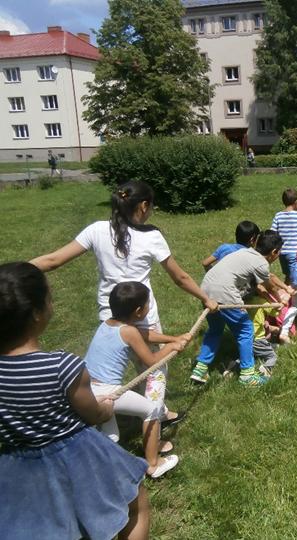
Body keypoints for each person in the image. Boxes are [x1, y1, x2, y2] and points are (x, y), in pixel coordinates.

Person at [30, 180, 218, 426]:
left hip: (110, 318)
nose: (151, 211)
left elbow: (53, 260)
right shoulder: (152, 236)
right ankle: (154, 426)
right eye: (150, 207)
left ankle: (133, 414)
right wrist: (205, 298)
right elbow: (179, 277)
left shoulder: (96, 230)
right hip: (142, 317)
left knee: (115, 372)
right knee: (154, 371)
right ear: (142, 206)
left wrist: (13, 272)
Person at [0, 262, 150, 540]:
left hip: (17, 461)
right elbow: (94, 415)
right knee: (134, 501)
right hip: (78, 454)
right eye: (48, 298)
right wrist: (105, 406)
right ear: (36, 314)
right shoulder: (63, 366)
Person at [85, 282, 189, 478]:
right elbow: (152, 362)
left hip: (87, 388)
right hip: (108, 392)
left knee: (112, 436)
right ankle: (153, 465)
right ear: (139, 311)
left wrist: (172, 339)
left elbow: (143, 335)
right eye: (148, 304)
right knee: (152, 410)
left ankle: (102, 471)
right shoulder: (129, 332)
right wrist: (173, 347)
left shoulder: (108, 323)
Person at [190, 230, 285, 386]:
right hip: (225, 293)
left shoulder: (245, 252)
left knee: (215, 329)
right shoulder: (262, 263)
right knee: (245, 329)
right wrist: (280, 301)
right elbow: (270, 286)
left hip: (205, 289)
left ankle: (200, 370)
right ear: (274, 252)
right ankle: (247, 375)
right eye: (279, 253)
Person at [271, 188, 297, 283]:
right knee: (295, 278)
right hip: (294, 252)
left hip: (282, 253)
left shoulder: (278, 215)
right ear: (296, 202)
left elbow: (272, 232)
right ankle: (293, 295)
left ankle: (287, 291)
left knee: (288, 275)